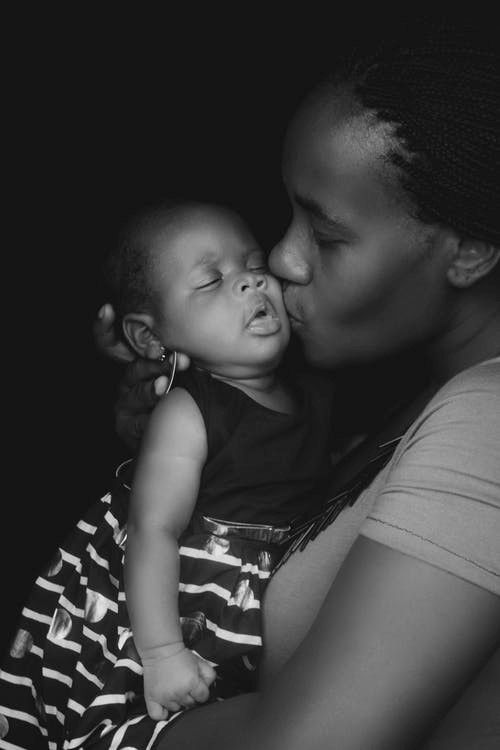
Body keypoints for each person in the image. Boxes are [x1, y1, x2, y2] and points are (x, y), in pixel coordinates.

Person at [90, 22, 500, 750]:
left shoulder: (489, 418)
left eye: (328, 236)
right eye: (288, 215)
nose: (281, 259)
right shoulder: (415, 400)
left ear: (469, 251)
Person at [0, 202, 335, 748]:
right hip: (180, 613)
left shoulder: (313, 392)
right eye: (211, 280)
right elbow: (153, 528)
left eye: (254, 264)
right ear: (151, 338)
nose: (251, 281)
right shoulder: (189, 411)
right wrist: (161, 654)